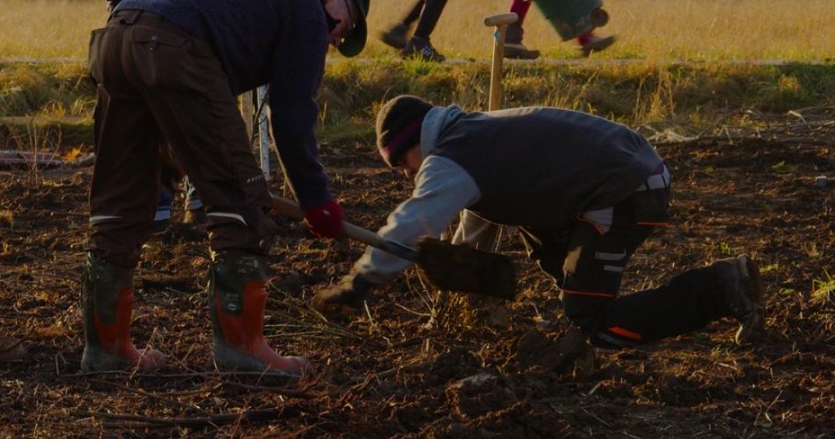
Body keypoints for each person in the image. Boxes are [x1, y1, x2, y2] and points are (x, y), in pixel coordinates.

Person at [82, 0, 368, 380]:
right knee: (241, 200)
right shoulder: (307, 7)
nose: (334, 40)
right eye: (344, 28)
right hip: (173, 42)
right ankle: (242, 347)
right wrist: (316, 199)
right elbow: (291, 115)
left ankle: (105, 348)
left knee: (119, 202)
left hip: (115, 38)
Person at [318, 96, 764, 358]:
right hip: (624, 170)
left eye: (401, 163)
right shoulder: (474, 135)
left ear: (414, 143)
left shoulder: (452, 160)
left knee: (596, 323)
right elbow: (476, 218)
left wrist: (361, 279)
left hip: (626, 190)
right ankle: (586, 294)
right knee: (534, 230)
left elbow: (414, 218)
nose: (404, 173)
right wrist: (460, 290)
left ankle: (724, 286)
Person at [85, 0, 207, 233]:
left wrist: (120, 24)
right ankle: (203, 200)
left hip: (156, 36)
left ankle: (158, 209)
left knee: (149, 122)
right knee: (193, 118)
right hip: (195, 28)